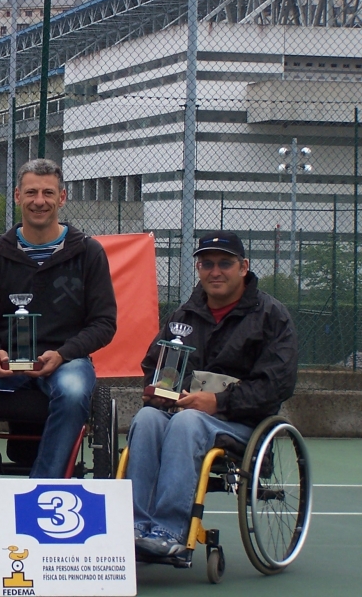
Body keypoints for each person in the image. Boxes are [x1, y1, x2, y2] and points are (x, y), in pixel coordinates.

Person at [129, 230, 298, 560]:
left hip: (242, 425)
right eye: (207, 263)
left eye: (225, 263)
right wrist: (162, 393)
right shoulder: (183, 316)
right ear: (198, 268)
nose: (215, 271)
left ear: (243, 267)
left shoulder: (272, 317)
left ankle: (168, 531)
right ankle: (134, 526)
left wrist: (218, 402)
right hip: (184, 416)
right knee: (148, 418)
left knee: (189, 422)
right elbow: (154, 366)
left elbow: (275, 386)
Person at [0, 158, 117, 478]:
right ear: (18, 196)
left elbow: (104, 323)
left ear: (61, 198)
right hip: (10, 364)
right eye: (31, 192)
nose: (39, 201)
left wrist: (63, 354)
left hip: (67, 360)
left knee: (74, 391)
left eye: (48, 193)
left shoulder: (89, 253)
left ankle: (40, 488)